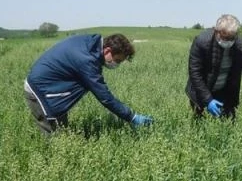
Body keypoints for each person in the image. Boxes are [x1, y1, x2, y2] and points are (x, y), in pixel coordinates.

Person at [24, 33, 153, 135]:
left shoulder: (92, 43)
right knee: (53, 139)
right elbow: (104, 97)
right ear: (107, 51)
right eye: (117, 60)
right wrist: (131, 117)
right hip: (41, 93)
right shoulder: (87, 60)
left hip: (51, 87)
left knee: (62, 134)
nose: (116, 64)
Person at [186, 14, 242, 119]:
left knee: (228, 124)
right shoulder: (202, 41)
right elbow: (195, 73)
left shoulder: (240, 43)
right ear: (216, 31)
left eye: (231, 38)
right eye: (224, 37)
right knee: (201, 124)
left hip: (225, 92)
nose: (228, 41)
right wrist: (208, 100)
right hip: (201, 91)